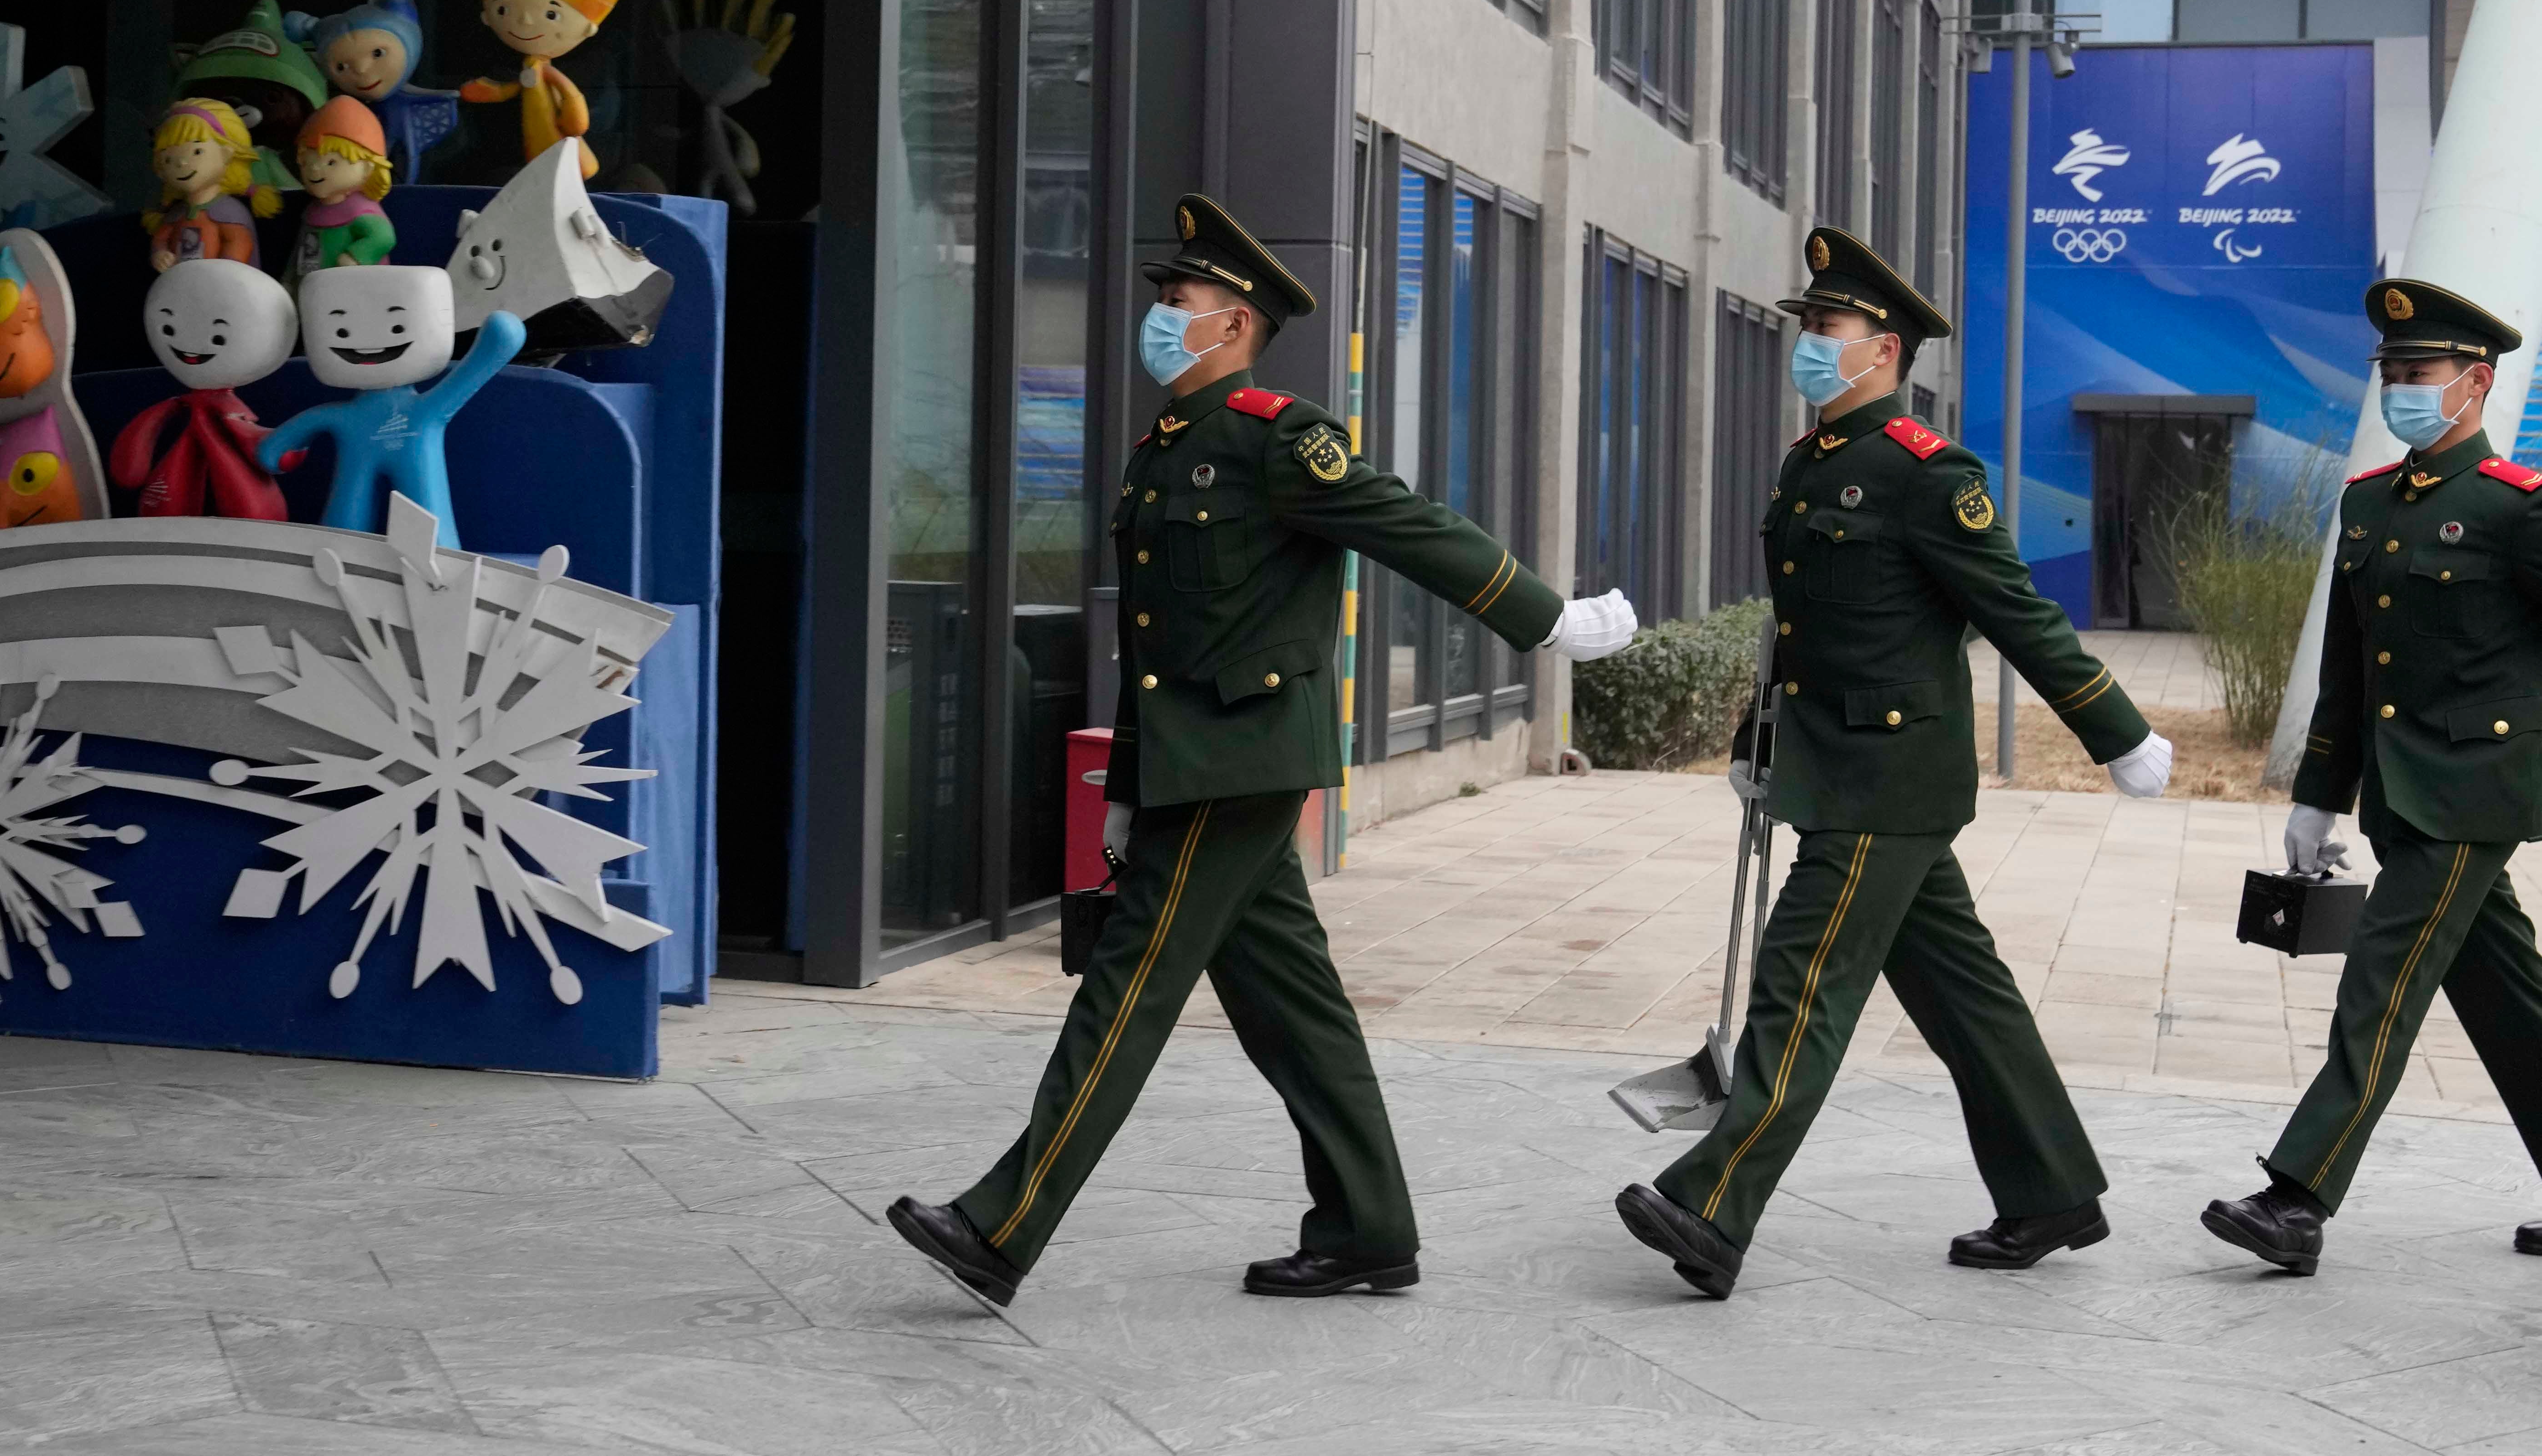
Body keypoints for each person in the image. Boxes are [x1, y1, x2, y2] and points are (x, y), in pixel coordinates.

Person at [888, 194, 1640, 1307]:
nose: (1159, 315)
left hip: (1244, 756)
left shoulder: (1281, 438)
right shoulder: (1166, 452)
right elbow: (1156, 645)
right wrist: (1126, 790)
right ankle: (1368, 1228)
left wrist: (1548, 624)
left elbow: (1415, 526)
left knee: (1129, 988)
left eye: (1178, 301)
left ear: (1233, 324)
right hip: (1192, 759)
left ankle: (1004, 1223)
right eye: (1162, 298)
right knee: (1295, 1007)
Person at [1613, 227, 2176, 1300]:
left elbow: (2014, 610)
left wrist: (2119, 730)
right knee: (1967, 996)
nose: (1809, 344)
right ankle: (2052, 1185)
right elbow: (1803, 627)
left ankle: (1711, 1203)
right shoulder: (1811, 460)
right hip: (1834, 762)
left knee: (1803, 982)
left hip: (1889, 777)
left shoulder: (1929, 475)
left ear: (1885, 351)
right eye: (1808, 325)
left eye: (1828, 328)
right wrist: (1755, 738)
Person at [2203, 279, 2542, 1274]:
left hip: (2477, 789)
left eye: (2418, 372)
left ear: (2474, 384)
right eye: (2389, 372)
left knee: (2383, 977)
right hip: (2403, 795)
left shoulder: (2517, 509)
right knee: (2507, 996)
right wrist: (2319, 793)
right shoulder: (2369, 505)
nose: (2398, 386)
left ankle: (2298, 1196)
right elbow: (2352, 670)